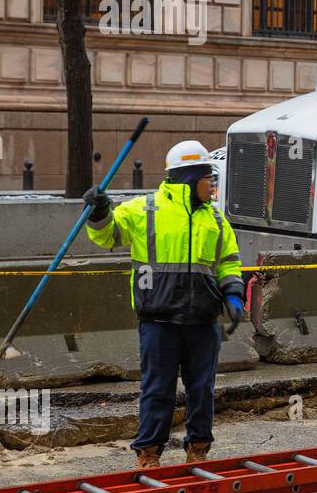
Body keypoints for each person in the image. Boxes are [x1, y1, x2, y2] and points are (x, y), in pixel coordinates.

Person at [85, 140, 244, 467]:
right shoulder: (143, 209)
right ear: (189, 177)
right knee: (158, 390)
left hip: (203, 321)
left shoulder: (214, 219)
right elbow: (106, 236)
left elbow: (227, 261)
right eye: (207, 178)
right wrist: (99, 211)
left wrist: (233, 294)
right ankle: (148, 454)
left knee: (202, 390)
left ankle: (198, 449)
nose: (212, 185)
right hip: (158, 321)